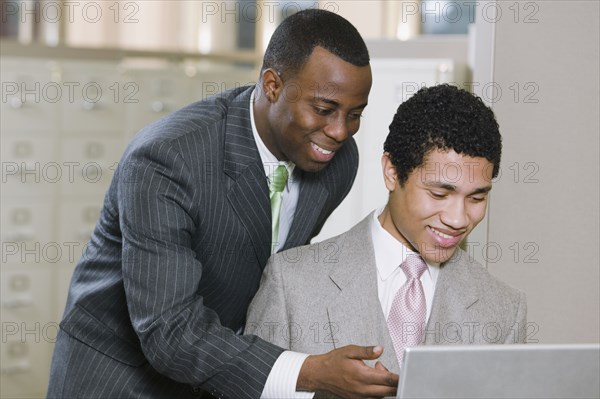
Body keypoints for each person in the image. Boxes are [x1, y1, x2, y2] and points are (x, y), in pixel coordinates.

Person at [47, 9, 399, 399]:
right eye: (323, 109)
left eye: (354, 115)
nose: (339, 132)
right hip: (121, 377)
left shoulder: (336, 162)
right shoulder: (167, 159)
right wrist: (309, 372)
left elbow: (271, 268)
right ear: (272, 85)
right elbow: (169, 330)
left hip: (218, 372)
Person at [246, 85, 528, 394]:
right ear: (391, 171)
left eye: (476, 198)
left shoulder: (504, 309)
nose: (459, 219)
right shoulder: (291, 282)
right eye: (439, 193)